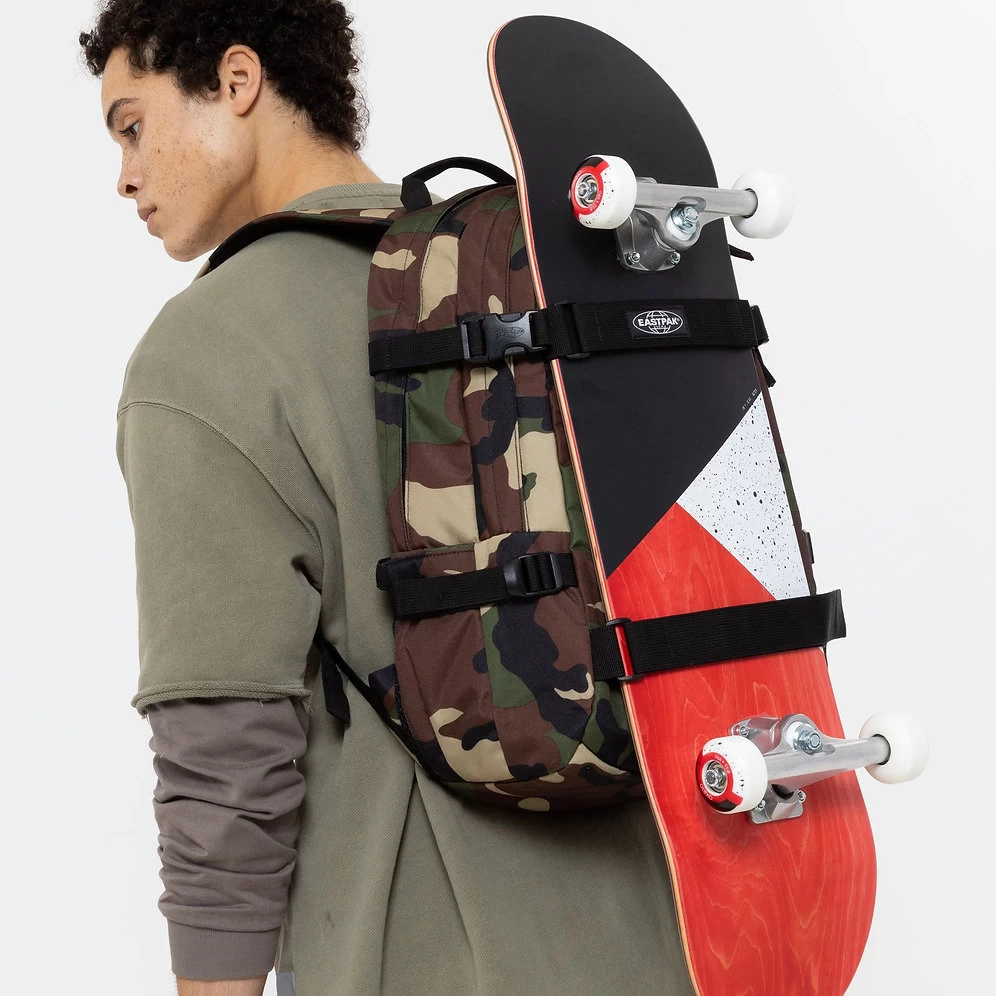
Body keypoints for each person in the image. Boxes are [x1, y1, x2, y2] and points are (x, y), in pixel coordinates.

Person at [80, 2, 694, 994]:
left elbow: (223, 757)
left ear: (237, 82)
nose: (124, 175)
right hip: (674, 937)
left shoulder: (204, 353)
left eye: (133, 125)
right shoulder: (517, 280)